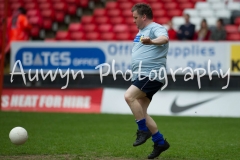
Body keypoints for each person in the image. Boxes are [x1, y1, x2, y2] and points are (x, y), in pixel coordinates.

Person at [124, 3, 170, 159]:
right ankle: (160, 142)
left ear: (144, 16)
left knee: (129, 96)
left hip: (151, 74)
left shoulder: (155, 28)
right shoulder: (141, 31)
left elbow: (164, 38)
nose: (133, 20)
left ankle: (143, 130)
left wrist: (152, 42)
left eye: (135, 17)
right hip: (142, 75)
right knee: (142, 112)